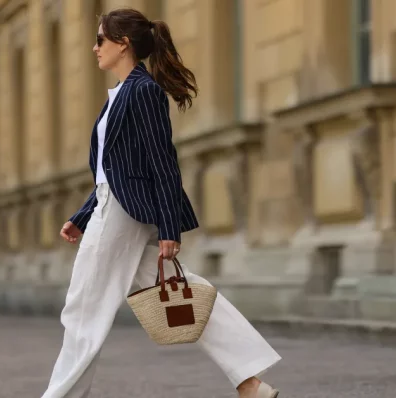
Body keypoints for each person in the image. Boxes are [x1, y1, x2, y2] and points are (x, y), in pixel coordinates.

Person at [40, 8, 281, 398]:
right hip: (114, 206)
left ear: (123, 44)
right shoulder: (121, 94)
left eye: (100, 39)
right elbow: (114, 169)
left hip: (123, 213)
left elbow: (161, 163)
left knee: (83, 308)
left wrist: (170, 228)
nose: (94, 47)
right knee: (182, 292)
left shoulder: (143, 91)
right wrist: (84, 215)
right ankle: (250, 381)